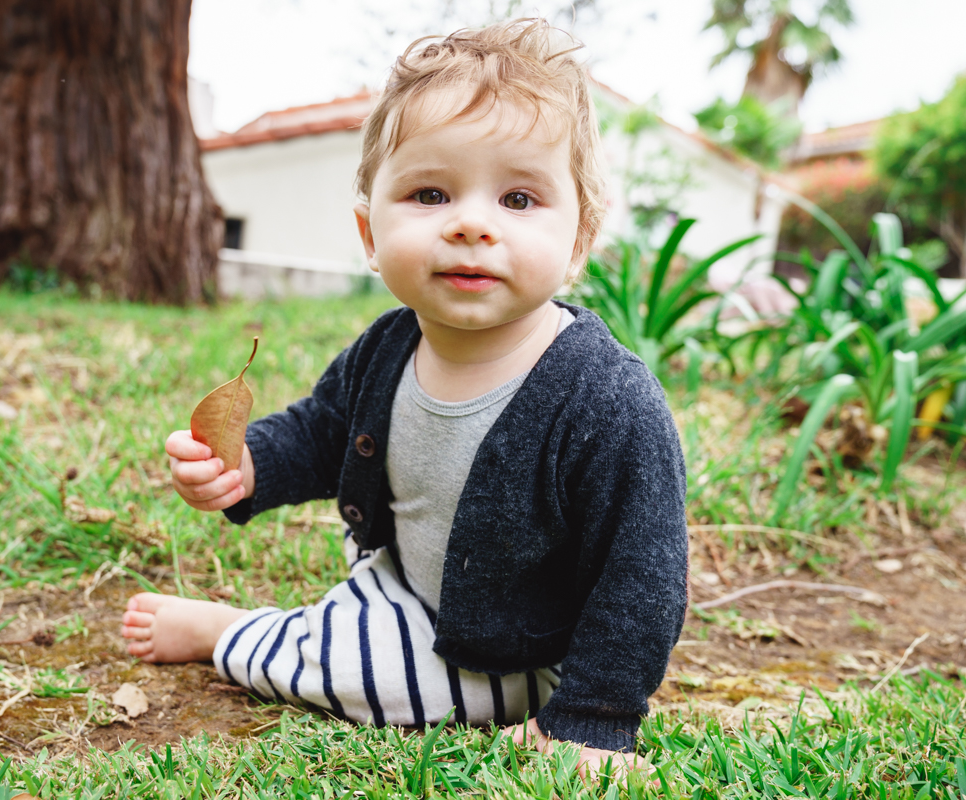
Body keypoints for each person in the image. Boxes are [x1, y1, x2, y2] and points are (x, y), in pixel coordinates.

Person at [120, 18, 688, 779]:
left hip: (527, 652)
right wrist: (248, 464)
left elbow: (641, 576)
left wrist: (591, 721)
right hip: (405, 586)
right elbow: (322, 432)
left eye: (519, 198)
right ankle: (317, 628)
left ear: (579, 238)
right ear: (368, 231)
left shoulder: (605, 398)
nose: (470, 225)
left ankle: (232, 636)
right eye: (430, 192)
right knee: (359, 630)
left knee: (364, 675)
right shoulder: (389, 347)